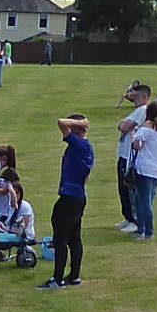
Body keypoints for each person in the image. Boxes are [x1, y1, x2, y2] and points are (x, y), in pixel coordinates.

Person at [36, 116, 93, 289]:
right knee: (74, 238)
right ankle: (74, 276)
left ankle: (57, 278)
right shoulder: (85, 147)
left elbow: (61, 123)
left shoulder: (79, 145)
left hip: (70, 198)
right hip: (77, 197)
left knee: (60, 238)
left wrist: (80, 123)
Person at [113, 84, 151, 234]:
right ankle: (128, 217)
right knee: (122, 188)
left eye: (136, 96)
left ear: (144, 97)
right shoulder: (137, 110)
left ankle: (134, 220)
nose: (133, 99)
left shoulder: (142, 110)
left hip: (129, 155)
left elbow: (124, 126)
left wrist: (124, 124)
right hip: (123, 153)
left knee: (129, 188)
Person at [129, 107, 157, 242]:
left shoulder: (146, 127)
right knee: (145, 199)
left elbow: (136, 145)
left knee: (144, 201)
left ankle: (148, 231)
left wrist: (133, 133)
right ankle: (141, 229)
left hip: (144, 168)